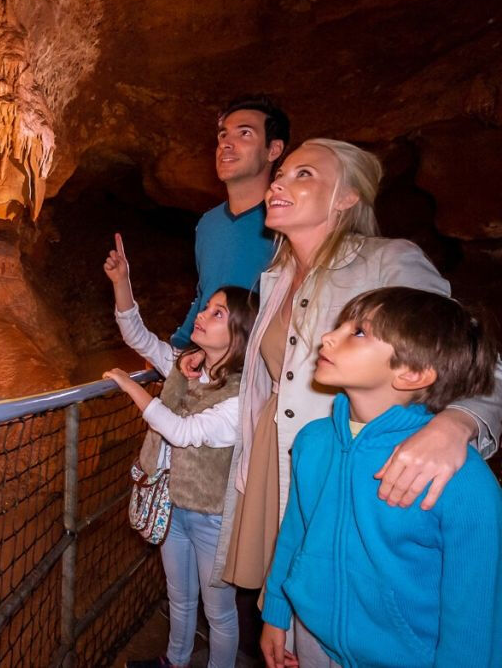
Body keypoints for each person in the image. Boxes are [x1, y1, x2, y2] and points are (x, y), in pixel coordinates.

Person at [209, 139, 501, 609]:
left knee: (333, 609)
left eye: (304, 174)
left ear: (347, 198)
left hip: (351, 469)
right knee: (283, 610)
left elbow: (469, 349)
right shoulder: (276, 276)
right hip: (278, 456)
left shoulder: (388, 261)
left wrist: (458, 423)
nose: (279, 181)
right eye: (280, 173)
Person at [259, 287, 502, 668]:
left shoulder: (464, 483)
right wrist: (275, 610)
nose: (329, 336)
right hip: (312, 639)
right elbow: (296, 532)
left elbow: (474, 614)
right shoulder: (313, 442)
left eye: (359, 332)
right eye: (341, 325)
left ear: (413, 373)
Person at [103, 234, 259, 668]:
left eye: (217, 313)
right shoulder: (184, 363)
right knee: (179, 596)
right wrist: (122, 282)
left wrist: (130, 385)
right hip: (172, 505)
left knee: (220, 612)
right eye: (207, 307)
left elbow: (183, 432)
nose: (202, 316)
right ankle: (175, 661)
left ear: (240, 333)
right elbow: (137, 335)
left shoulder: (241, 396)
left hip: (212, 515)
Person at [170, 95, 289, 349]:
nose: (226, 144)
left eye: (244, 134)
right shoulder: (208, 224)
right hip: (209, 362)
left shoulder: (289, 222)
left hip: (263, 368)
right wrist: (179, 345)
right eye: (223, 136)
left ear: (273, 149)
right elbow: (205, 292)